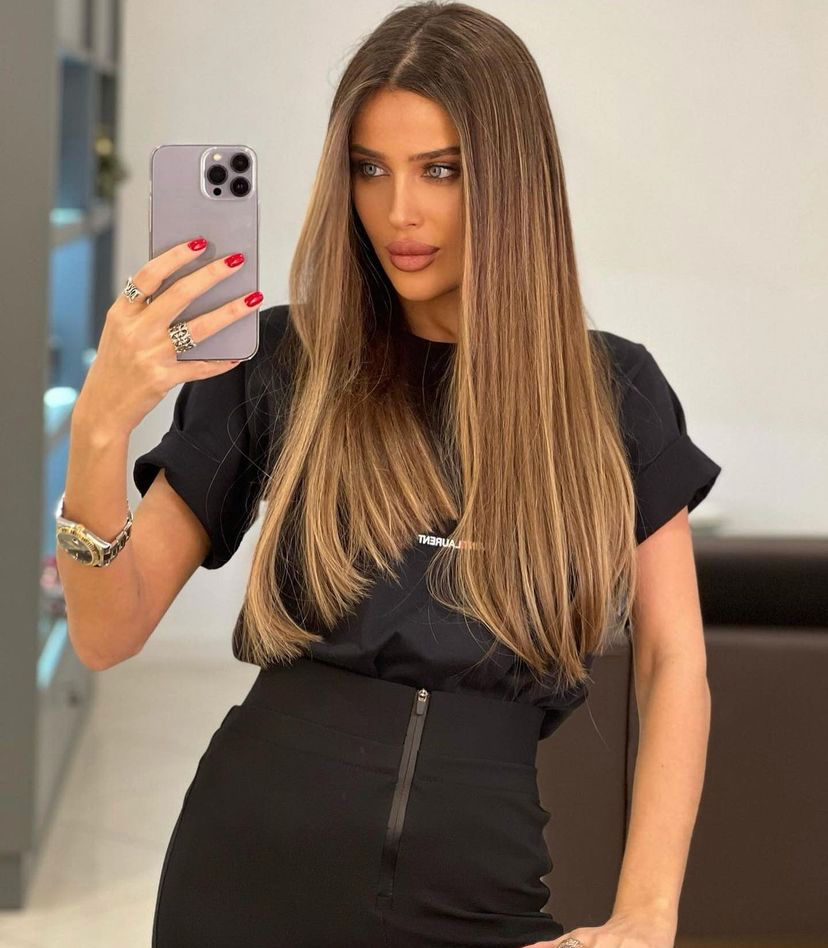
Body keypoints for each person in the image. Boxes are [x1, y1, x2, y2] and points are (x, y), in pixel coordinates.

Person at [63, 3, 722, 947]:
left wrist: (648, 912)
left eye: (439, 170)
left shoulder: (611, 392)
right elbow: (105, 632)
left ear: (511, 179)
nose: (398, 211)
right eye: (369, 169)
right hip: (247, 876)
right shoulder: (283, 362)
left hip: (481, 890)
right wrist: (97, 431)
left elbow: (673, 658)